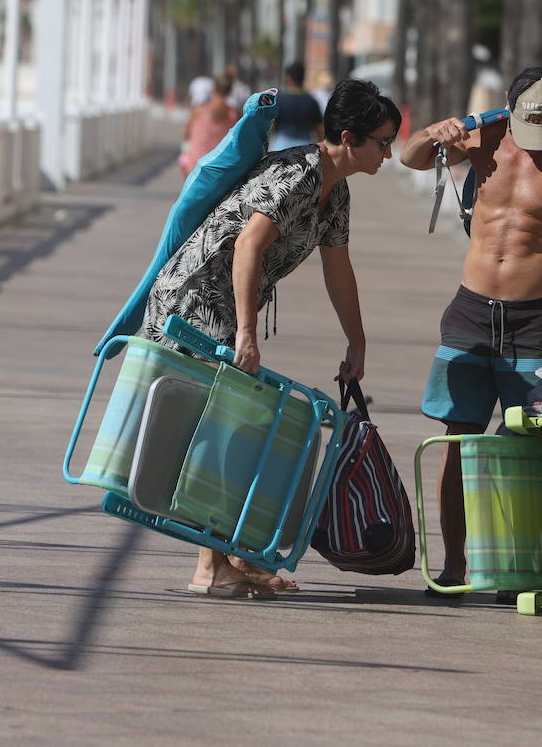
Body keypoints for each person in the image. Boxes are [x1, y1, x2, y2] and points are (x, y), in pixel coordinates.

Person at [141, 78, 402, 599]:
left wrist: (357, 342)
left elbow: (339, 270)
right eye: (382, 143)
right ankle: (212, 565)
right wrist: (246, 333)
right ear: (348, 138)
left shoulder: (335, 191)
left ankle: (237, 556)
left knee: (241, 425)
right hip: (193, 302)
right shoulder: (299, 173)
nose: (388, 154)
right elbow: (247, 247)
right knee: (224, 426)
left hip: (224, 306)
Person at [400, 67, 542, 598]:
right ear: (508, 104)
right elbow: (410, 158)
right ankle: (455, 565)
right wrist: (435, 132)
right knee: (458, 440)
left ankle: (517, 567)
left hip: (534, 320)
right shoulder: (482, 139)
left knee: (528, 441)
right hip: (471, 311)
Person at [178, 76, 240, 176]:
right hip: (220, 167)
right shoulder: (233, 114)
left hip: (195, 166)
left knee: (184, 155)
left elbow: (185, 133)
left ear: (213, 89)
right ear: (230, 91)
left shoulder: (199, 111)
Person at [271, 61, 325, 152]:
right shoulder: (311, 102)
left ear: (288, 78)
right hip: (304, 151)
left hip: (280, 149)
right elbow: (320, 131)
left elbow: (271, 127)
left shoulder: (279, 100)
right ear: (303, 78)